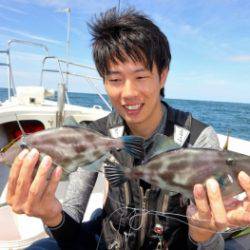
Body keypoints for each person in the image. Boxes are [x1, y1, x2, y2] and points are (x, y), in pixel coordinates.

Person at [6, 7, 250, 250]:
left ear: (162, 75)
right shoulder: (95, 136)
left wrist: (203, 232)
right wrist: (50, 215)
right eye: (115, 80)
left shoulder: (197, 137)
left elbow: (211, 244)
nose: (129, 93)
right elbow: (72, 215)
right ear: (104, 81)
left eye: (141, 77)